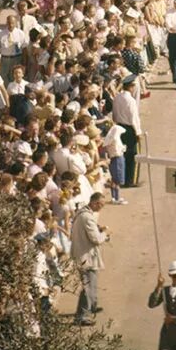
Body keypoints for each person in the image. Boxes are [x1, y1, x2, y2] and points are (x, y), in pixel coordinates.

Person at [71, 192, 108, 326]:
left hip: (83, 253)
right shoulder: (87, 217)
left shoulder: (82, 213)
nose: (101, 207)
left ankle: (91, 305)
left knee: (92, 283)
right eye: (100, 205)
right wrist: (104, 234)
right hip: (85, 256)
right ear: (94, 202)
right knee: (88, 286)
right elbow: (96, 239)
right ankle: (82, 316)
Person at [112, 73, 142, 187]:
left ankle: (122, 178)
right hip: (129, 129)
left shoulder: (117, 97)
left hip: (119, 127)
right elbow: (134, 118)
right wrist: (138, 132)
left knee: (122, 154)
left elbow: (114, 115)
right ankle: (130, 180)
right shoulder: (131, 101)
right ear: (131, 86)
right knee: (131, 155)